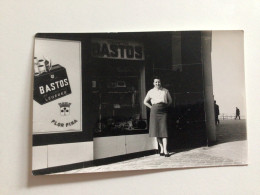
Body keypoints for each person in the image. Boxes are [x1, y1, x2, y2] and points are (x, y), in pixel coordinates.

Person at [143, 76, 172, 157]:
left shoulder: (165, 91)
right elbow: (145, 101)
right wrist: (151, 107)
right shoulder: (150, 91)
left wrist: (165, 106)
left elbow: (170, 101)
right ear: (153, 83)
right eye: (156, 82)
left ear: (160, 82)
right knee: (157, 131)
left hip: (163, 111)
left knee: (164, 131)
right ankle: (161, 148)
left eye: (158, 82)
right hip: (154, 111)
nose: (157, 83)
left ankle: (165, 150)